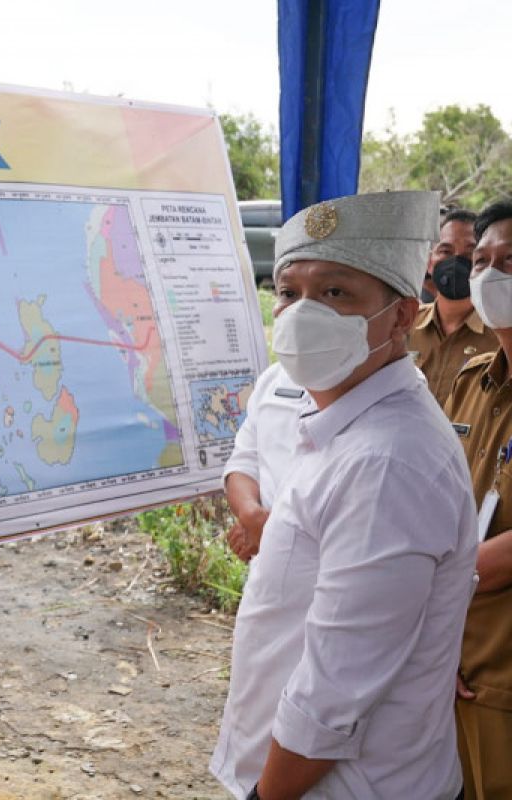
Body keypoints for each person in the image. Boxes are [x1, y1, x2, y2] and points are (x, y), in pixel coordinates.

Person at [210, 191, 478, 799]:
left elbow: (332, 695)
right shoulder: (342, 426)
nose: (303, 313)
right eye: (289, 292)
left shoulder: (386, 462)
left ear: (402, 315)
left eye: (335, 293)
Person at [443, 199, 512, 799]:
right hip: (453, 664)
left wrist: (428, 597)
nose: (491, 276)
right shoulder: (473, 381)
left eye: (510, 261)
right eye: (483, 262)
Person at [410, 209, 497, 406]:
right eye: (446, 251)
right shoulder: (402, 325)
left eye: (469, 253)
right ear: (429, 262)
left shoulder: (501, 335)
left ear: (483, 263)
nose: (456, 260)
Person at [222, 362, 302, 562]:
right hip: (267, 566)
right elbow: (244, 462)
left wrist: (272, 530)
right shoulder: (273, 379)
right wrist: (250, 515)